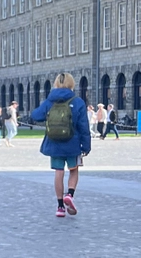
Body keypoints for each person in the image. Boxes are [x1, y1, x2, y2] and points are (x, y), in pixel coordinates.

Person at [30, 73, 91, 217]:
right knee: (74, 170)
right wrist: (86, 146)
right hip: (73, 143)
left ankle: (60, 207)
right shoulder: (77, 101)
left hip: (54, 142)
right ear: (72, 84)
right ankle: (69, 194)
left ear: (56, 84)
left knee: (59, 172)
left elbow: (36, 115)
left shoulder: (50, 100)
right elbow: (83, 126)